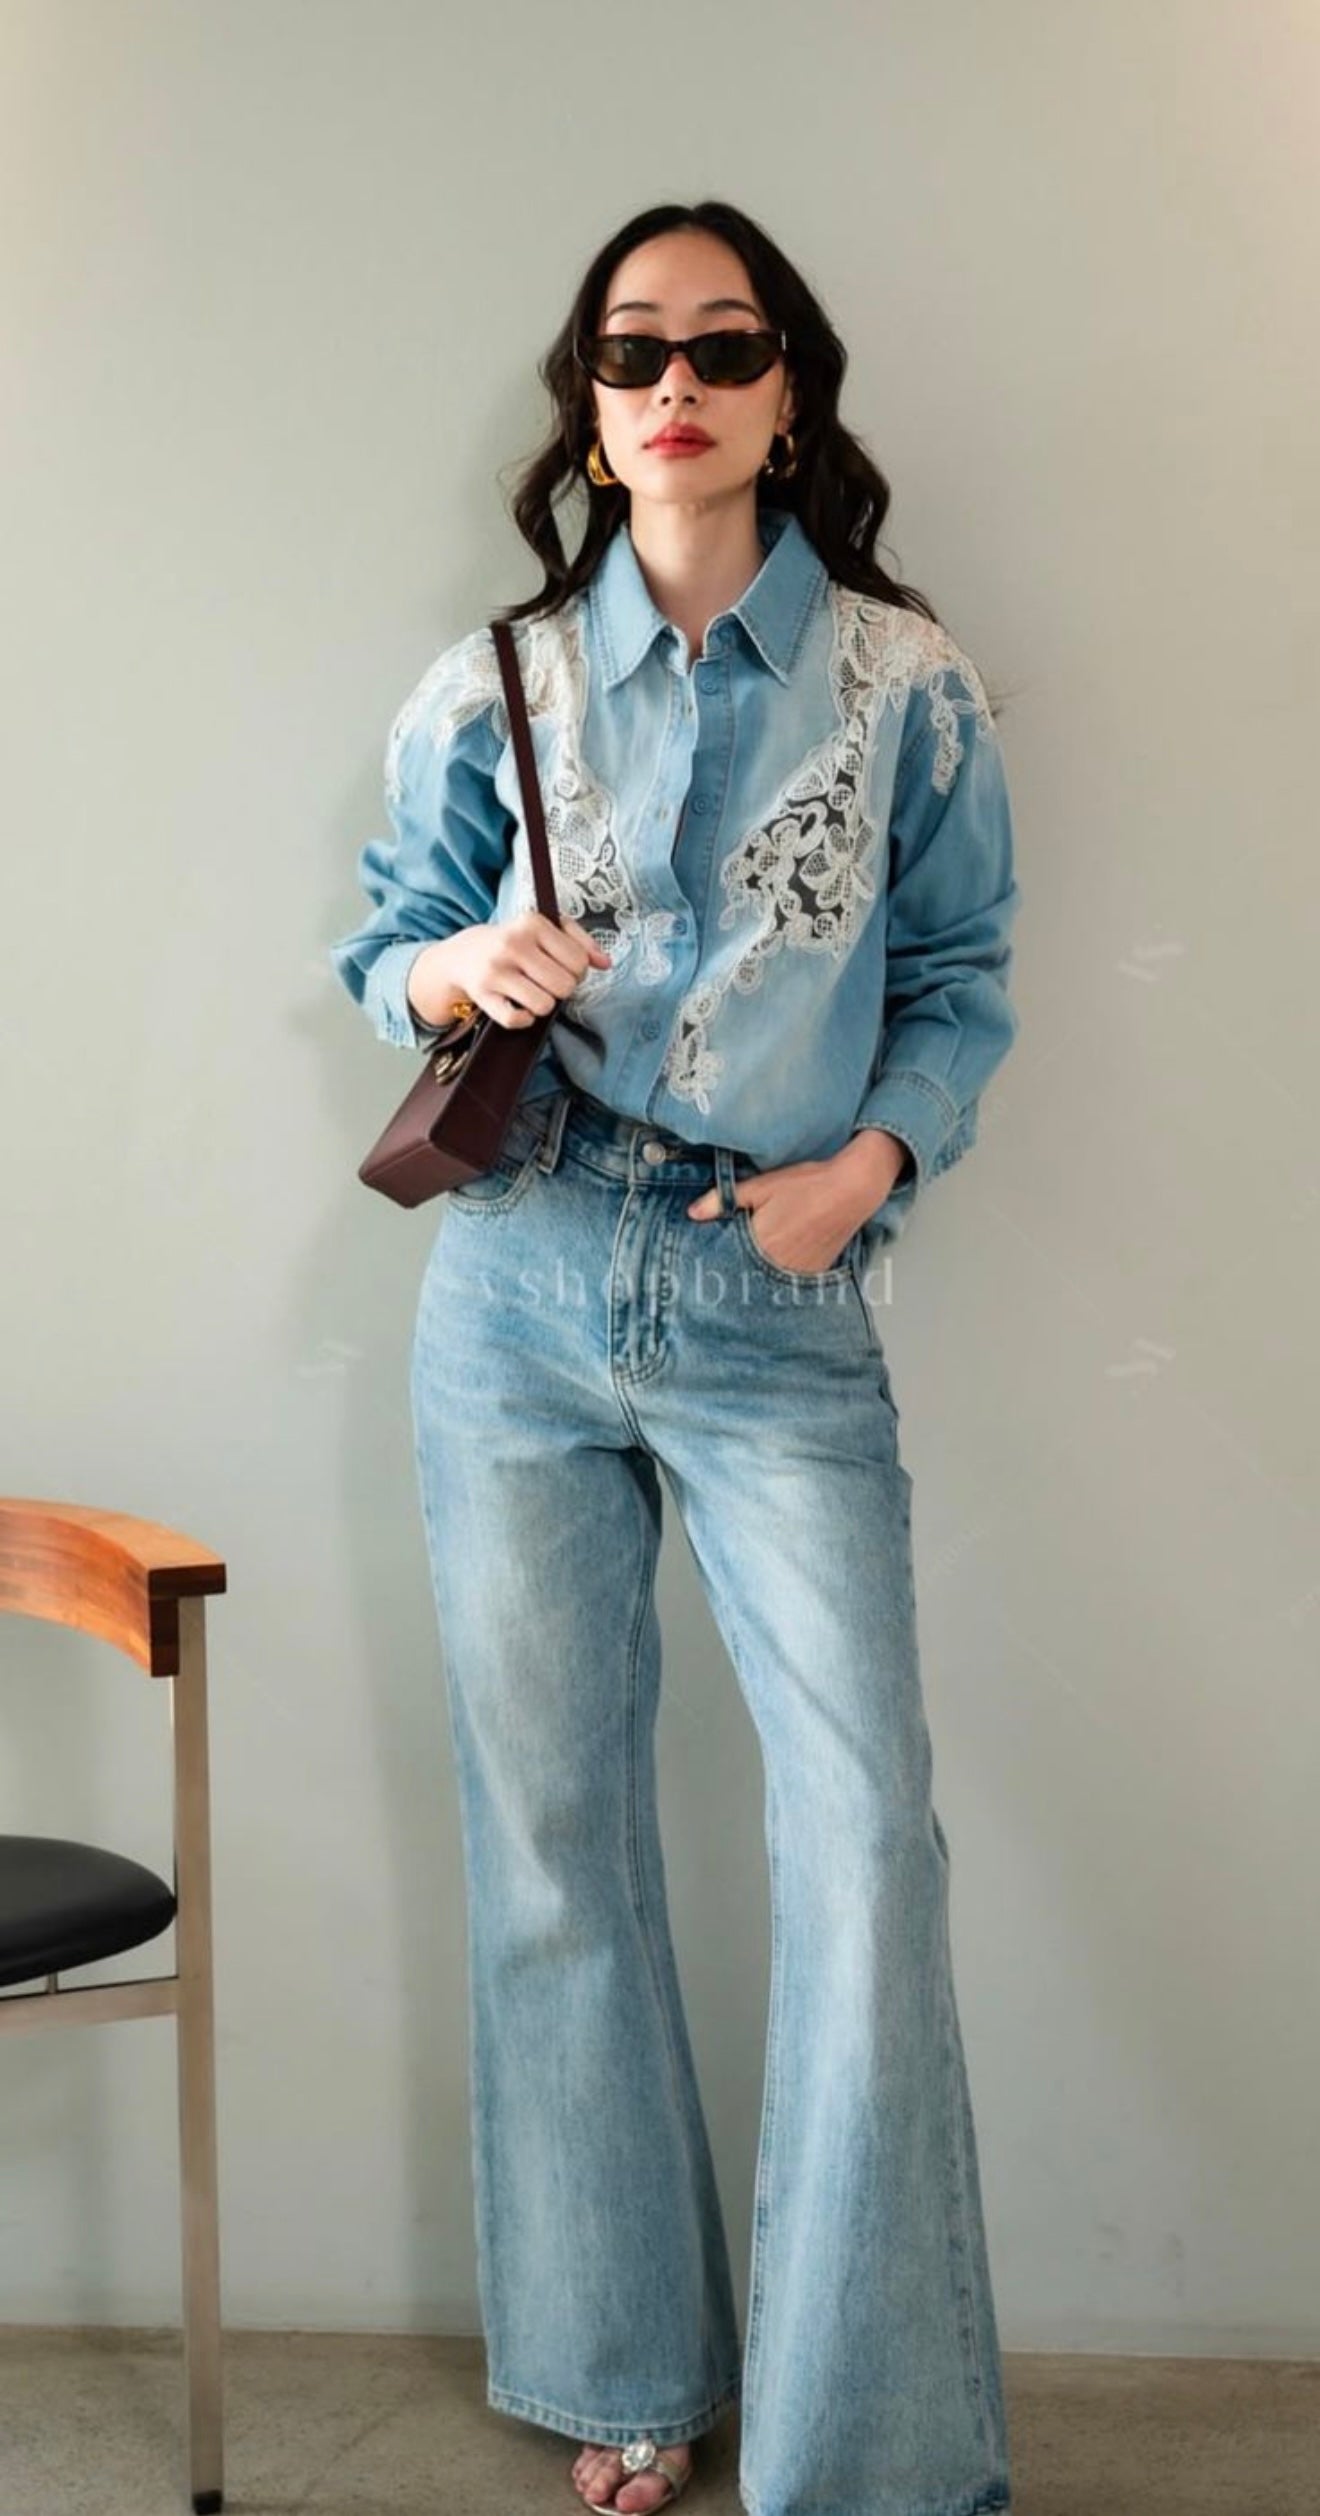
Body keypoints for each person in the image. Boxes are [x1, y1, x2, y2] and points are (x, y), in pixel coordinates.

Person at [332, 197, 1021, 2516]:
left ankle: (872, 2447)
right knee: (552, 1840)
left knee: (868, 1842)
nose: (678, 384)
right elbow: (378, 949)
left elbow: (965, 975)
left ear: (786, 390)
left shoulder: (907, 682)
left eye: (725, 345)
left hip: (775, 1295)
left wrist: (868, 1168)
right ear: (592, 402)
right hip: (517, 1284)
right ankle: (624, 2364)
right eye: (636, 351)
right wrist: (458, 971)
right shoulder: (495, 681)